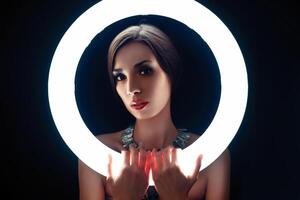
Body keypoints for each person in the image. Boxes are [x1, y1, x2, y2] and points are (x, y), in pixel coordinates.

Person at [78, 24, 230, 200]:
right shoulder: (96, 152)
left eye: (145, 71)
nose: (131, 88)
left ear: (171, 73)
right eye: (120, 77)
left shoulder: (212, 155)